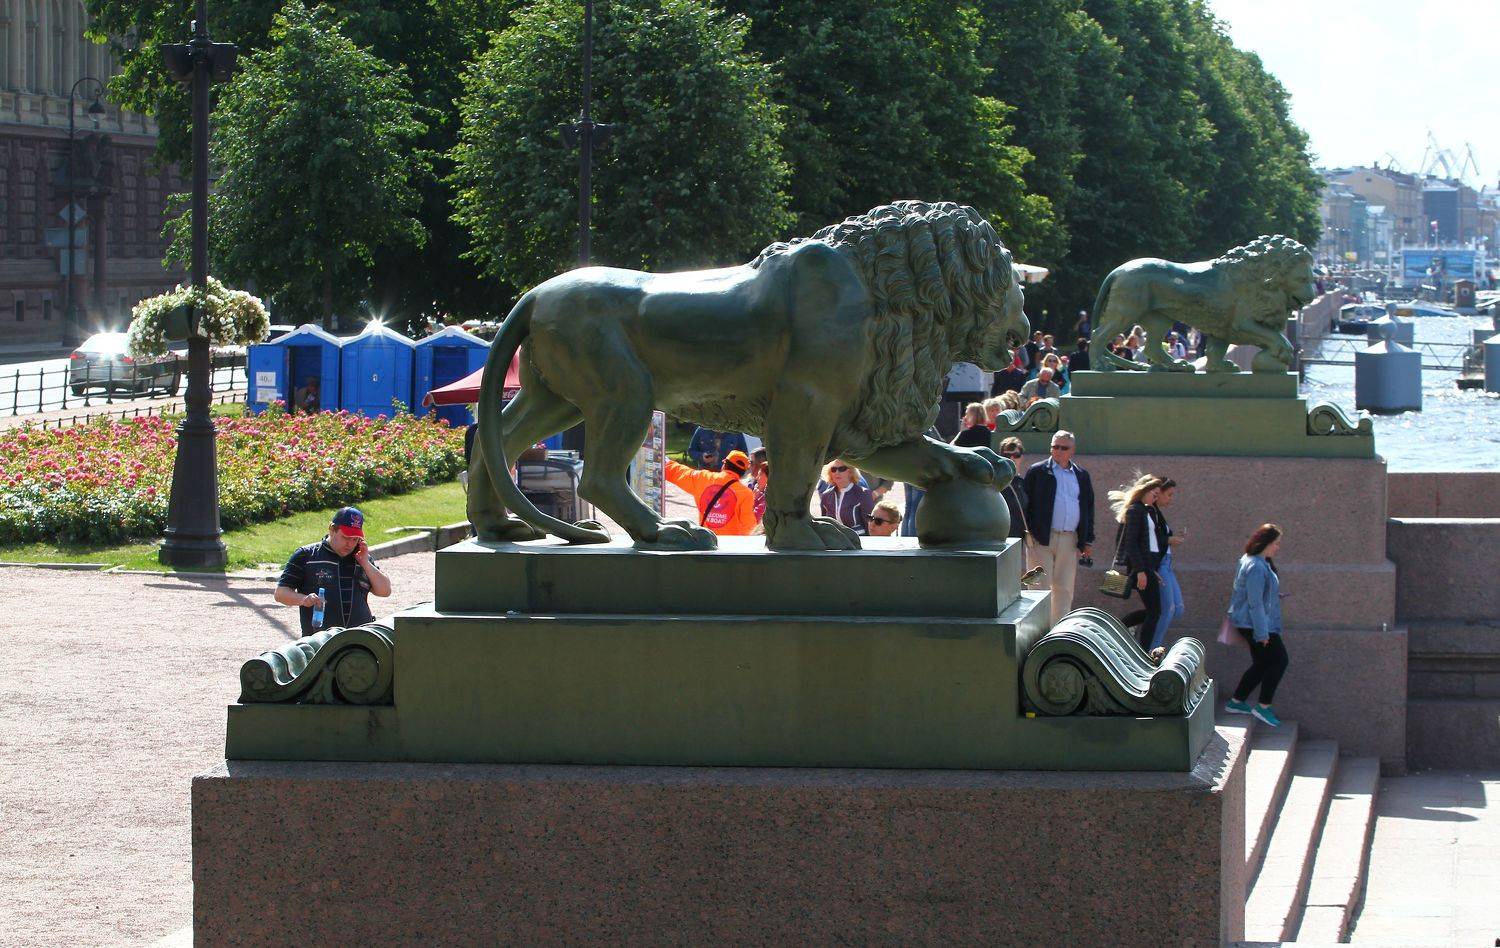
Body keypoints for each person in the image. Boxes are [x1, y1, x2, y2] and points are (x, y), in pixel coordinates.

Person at [275, 506, 392, 637]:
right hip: (319, 641)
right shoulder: (306, 555)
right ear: (332, 530)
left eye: (355, 539)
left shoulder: (362, 557)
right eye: (346, 537)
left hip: (359, 639)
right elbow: (280, 593)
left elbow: (385, 591)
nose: (350, 544)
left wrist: (365, 563)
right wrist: (303, 599)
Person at [1021, 430, 1095, 628]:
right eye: (1055, 447)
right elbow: (1025, 504)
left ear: (1072, 450)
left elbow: (1088, 508)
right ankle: (1036, 631)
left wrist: (1087, 540)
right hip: (1040, 539)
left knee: (1064, 589)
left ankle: (1058, 633)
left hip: (1069, 539)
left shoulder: (1081, 475)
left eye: (1063, 448)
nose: (1058, 451)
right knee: (1038, 587)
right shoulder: (1037, 471)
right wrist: (1029, 533)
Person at [1225, 524, 1290, 728]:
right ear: (1266, 543)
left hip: (1250, 622)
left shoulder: (1252, 561)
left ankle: (1236, 701)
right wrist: (1262, 633)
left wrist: (1274, 596)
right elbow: (1254, 603)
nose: (1278, 547)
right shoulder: (1256, 566)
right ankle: (1263, 706)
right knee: (1280, 660)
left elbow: (1252, 594)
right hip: (1257, 624)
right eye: (1276, 543)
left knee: (1261, 663)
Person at [1108, 474, 1166, 651]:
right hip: (1141, 568)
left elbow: (1146, 544)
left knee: (1154, 611)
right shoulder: (1135, 510)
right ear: (1144, 490)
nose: (1155, 498)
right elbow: (1131, 543)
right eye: (1154, 493)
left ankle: (1121, 628)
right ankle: (1143, 650)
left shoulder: (1145, 510)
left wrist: (1151, 569)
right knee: (1154, 612)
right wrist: (1141, 571)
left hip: (1147, 567)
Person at [665, 448, 758, 536]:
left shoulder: (703, 478)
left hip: (707, 541)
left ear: (724, 464)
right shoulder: (746, 494)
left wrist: (663, 460)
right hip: (730, 544)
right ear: (743, 472)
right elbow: (749, 526)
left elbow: (679, 472)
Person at [1150, 478, 1185, 652]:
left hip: (1167, 563)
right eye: (1169, 495)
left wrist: (1172, 539)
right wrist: (1169, 540)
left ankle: (1147, 622)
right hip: (1160, 564)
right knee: (1168, 609)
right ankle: (1152, 649)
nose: (1170, 499)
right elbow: (1150, 539)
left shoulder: (1158, 514)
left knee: (1178, 608)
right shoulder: (1149, 512)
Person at [819, 459, 879, 535]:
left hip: (858, 539)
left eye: (842, 469)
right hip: (834, 539)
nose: (837, 472)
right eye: (833, 469)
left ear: (850, 472)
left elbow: (869, 524)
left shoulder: (863, 494)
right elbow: (825, 523)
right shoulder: (826, 496)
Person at [997, 437, 1028, 540]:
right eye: (1007, 456)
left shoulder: (1022, 483)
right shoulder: (994, 483)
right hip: (1000, 538)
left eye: (1016, 455)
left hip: (1019, 539)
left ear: (1021, 458)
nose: (1012, 459)